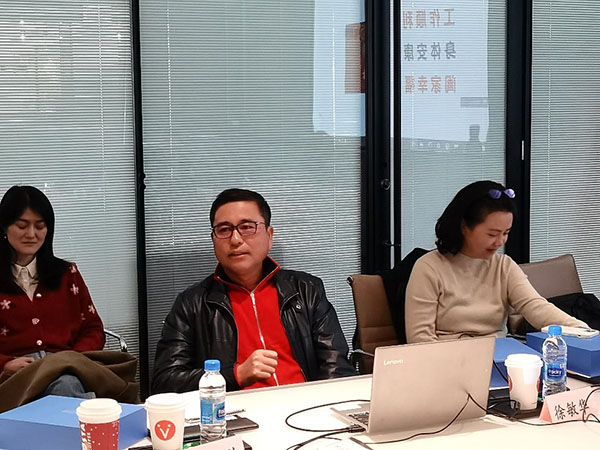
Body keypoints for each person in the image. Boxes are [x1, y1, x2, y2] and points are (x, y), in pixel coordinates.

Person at [152, 188, 355, 393]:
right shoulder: (192, 304)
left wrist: (322, 403)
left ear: (269, 235)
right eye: (224, 230)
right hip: (234, 409)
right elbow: (165, 382)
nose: (235, 239)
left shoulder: (307, 290)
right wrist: (235, 375)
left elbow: (337, 366)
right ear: (214, 240)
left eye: (247, 227)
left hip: (307, 404)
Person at [405, 180, 587, 343]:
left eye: (506, 233)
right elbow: (420, 339)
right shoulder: (429, 267)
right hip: (445, 358)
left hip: (498, 356)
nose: (500, 242)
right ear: (464, 227)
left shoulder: (503, 266)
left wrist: (583, 331)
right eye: (492, 234)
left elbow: (536, 307)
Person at [0, 185, 105, 398]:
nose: (31, 234)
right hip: (12, 377)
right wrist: (5, 363)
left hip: (66, 368)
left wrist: (70, 359)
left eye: (40, 226)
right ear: (4, 226)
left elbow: (93, 329)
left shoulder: (67, 274)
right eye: (22, 226)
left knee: (64, 384)